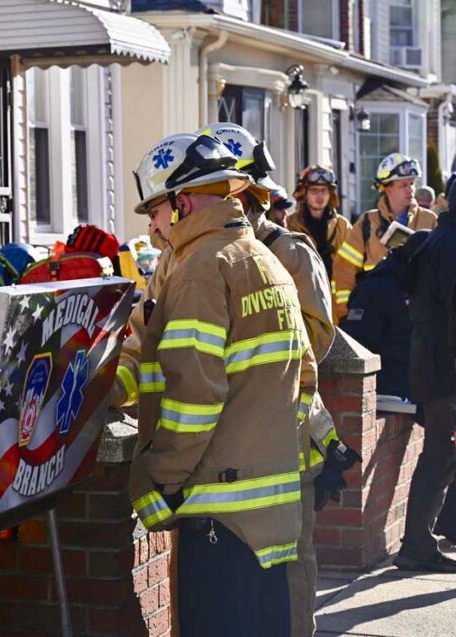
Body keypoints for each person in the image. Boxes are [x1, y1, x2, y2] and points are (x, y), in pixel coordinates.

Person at [129, 132, 310, 637]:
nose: (152, 225)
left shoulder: (200, 271)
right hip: (270, 517)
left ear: (182, 202)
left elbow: (194, 398)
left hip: (219, 516)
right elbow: (306, 375)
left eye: (156, 210)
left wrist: (157, 481)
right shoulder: (263, 259)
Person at [207, 123, 347, 637]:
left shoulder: (291, 252)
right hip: (233, 448)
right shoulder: (211, 256)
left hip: (288, 441)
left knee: (290, 567)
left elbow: (316, 342)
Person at [397, 173, 456, 572]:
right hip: (451, 370)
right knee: (441, 456)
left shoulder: (431, 241)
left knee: (445, 456)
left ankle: (438, 530)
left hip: (427, 363)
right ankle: (416, 547)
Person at [331, 153, 436, 323]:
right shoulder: (367, 223)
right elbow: (343, 270)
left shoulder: (429, 220)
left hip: (418, 317)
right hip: (377, 317)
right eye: (403, 185)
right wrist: (346, 314)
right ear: (387, 188)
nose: (410, 190)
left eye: (412, 183)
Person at [341, 231, 429, 400]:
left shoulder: (410, 283)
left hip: (409, 392)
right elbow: (356, 344)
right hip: (387, 395)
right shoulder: (375, 289)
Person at [286, 165, 352, 281]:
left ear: (330, 194)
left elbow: (352, 265)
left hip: (335, 295)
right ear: (304, 194)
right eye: (314, 190)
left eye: (324, 190)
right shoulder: (290, 224)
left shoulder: (342, 226)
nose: (320, 196)